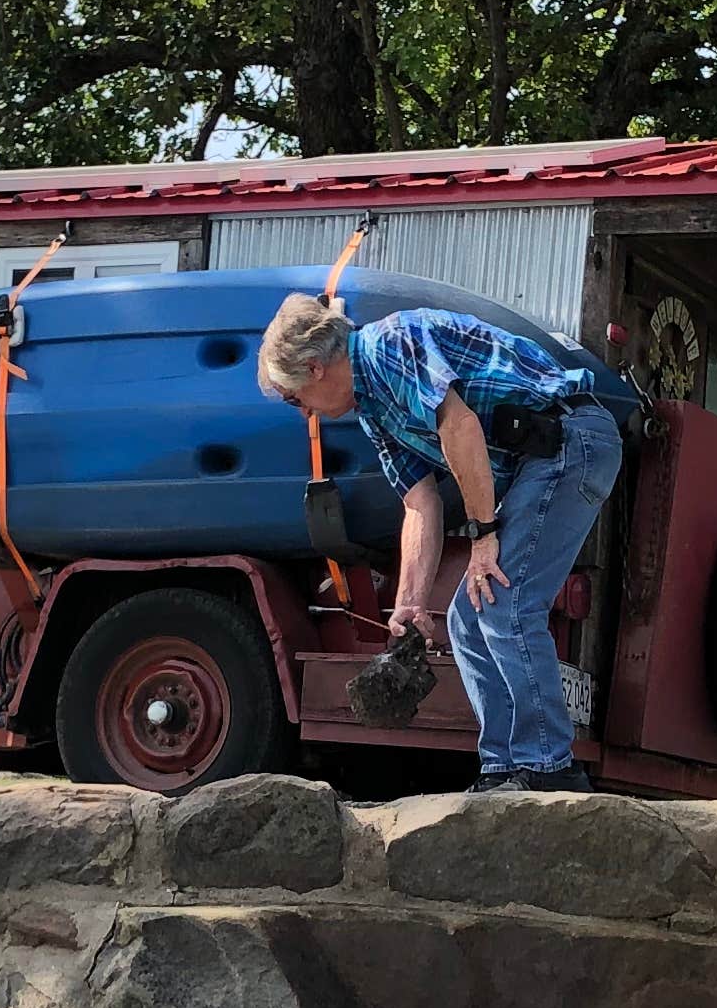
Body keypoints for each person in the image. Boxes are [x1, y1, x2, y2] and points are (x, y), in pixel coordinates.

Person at [253, 291, 624, 790]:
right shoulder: (374, 410)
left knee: (506, 605)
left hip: (570, 439)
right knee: (467, 619)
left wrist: (484, 535)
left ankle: (548, 769)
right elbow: (419, 502)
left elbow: (460, 425)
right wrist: (408, 604)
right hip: (542, 456)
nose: (303, 414)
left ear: (315, 367)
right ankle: (502, 768)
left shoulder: (390, 344)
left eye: (295, 399)